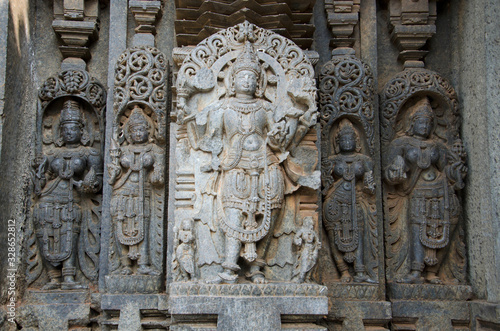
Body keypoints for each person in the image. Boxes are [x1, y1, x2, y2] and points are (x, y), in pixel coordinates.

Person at [184, 42, 304, 284]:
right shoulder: (222, 107)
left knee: (270, 210)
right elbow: (210, 138)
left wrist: (288, 126)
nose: (246, 81)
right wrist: (192, 111)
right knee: (233, 213)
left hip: (266, 164)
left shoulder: (266, 107)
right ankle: (229, 267)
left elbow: (280, 140)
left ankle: (256, 267)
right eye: (242, 76)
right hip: (234, 166)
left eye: (251, 77)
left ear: (259, 83)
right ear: (232, 80)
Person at [384, 97, 466, 284]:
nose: (424, 126)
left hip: (440, 189)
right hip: (417, 190)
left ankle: (433, 271)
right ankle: (416, 270)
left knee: (444, 224)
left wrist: (457, 169)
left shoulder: (436, 146)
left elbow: (447, 168)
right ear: (412, 123)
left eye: (428, 123)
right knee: (418, 227)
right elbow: (388, 173)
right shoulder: (402, 144)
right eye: (421, 122)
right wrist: (397, 169)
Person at [33, 99, 102, 290]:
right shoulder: (52, 154)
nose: (69, 132)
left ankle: (69, 277)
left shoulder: (90, 153)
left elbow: (97, 182)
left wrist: (84, 186)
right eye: (65, 128)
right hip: (48, 199)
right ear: (60, 131)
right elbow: (43, 180)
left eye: (73, 128)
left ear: (82, 130)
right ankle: (53, 277)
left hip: (72, 201)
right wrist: (38, 178)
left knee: (69, 234)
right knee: (48, 235)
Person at [109, 105, 164, 276]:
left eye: (141, 130)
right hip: (123, 192)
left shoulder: (154, 149)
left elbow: (159, 177)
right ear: (128, 133)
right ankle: (125, 264)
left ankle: (143, 263)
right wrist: (116, 168)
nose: (138, 133)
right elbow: (112, 174)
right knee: (121, 224)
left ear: (149, 131)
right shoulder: (122, 150)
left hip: (144, 193)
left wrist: (156, 171)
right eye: (134, 131)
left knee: (144, 226)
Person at [323, 119, 376, 283]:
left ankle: (360, 271)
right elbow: (325, 184)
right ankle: (343, 271)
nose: (347, 142)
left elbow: (370, 185)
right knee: (334, 236)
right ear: (338, 142)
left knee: (359, 232)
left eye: (350, 138)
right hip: (334, 201)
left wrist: (369, 184)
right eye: (344, 139)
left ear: (357, 141)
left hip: (356, 202)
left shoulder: (364, 160)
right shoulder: (331, 160)